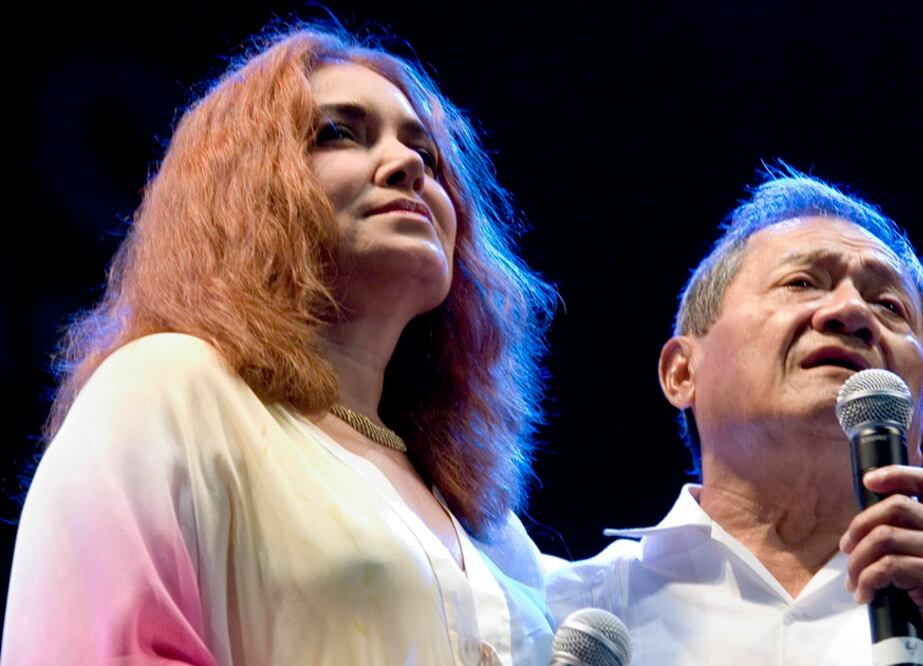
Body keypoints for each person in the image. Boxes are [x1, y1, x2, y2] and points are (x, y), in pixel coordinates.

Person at [3, 25, 557, 665]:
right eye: (339, 132)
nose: (408, 166)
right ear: (248, 189)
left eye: (428, 157)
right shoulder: (168, 389)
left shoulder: (488, 523)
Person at [545, 169, 923, 664]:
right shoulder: (553, 614)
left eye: (890, 307)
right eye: (802, 282)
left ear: (919, 419)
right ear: (683, 372)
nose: (852, 313)